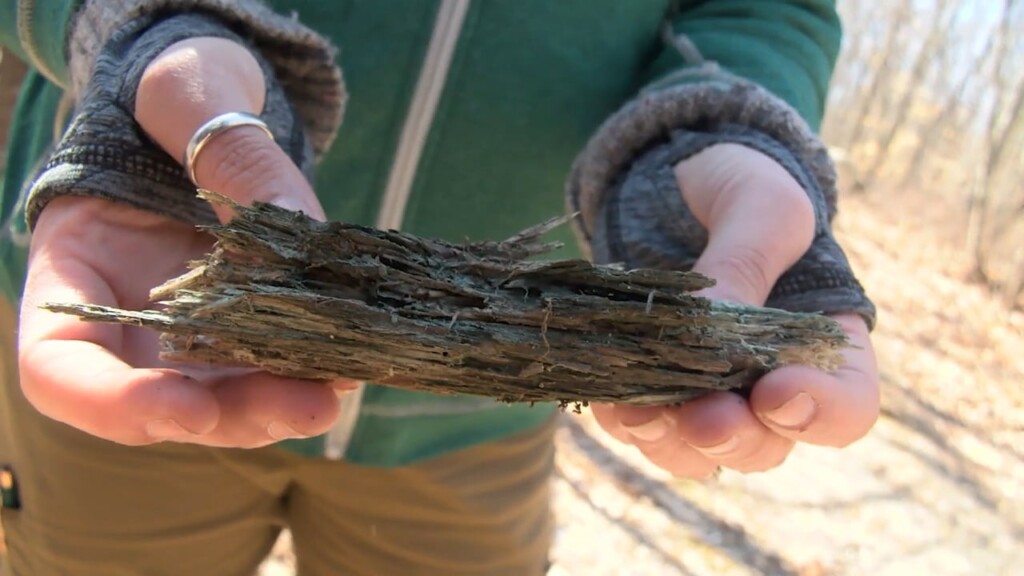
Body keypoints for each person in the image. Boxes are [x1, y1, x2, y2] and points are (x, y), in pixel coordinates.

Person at [0, 1, 879, 574]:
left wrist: (717, 136)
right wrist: (132, 31)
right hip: (143, 331)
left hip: (477, 439)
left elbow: (766, 13)